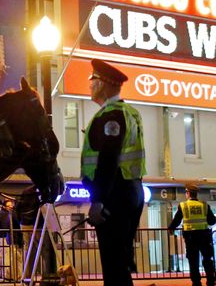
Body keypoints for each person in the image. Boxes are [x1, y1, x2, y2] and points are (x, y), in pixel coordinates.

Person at [80, 59, 145, 286]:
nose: (90, 85)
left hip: (114, 194)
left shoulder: (111, 116)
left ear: (104, 84)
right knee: (120, 262)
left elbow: (108, 159)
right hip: (130, 189)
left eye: (93, 80)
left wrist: (98, 200)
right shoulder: (130, 113)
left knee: (113, 264)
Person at [167, 183, 216, 286]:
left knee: (193, 261)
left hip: (190, 237)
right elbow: (212, 221)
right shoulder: (204, 205)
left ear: (188, 193)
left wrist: (171, 228)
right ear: (196, 194)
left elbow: (176, 220)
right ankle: (211, 281)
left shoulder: (183, 205)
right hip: (204, 236)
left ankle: (196, 282)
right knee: (207, 259)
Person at [0, 199, 23, 281]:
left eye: (12, 206)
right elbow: (8, 225)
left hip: (3, 236)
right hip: (8, 236)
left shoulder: (0, 213)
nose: (11, 207)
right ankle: (10, 275)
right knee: (9, 256)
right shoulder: (7, 214)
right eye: (9, 206)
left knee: (4, 255)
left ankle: (3, 274)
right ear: (5, 206)